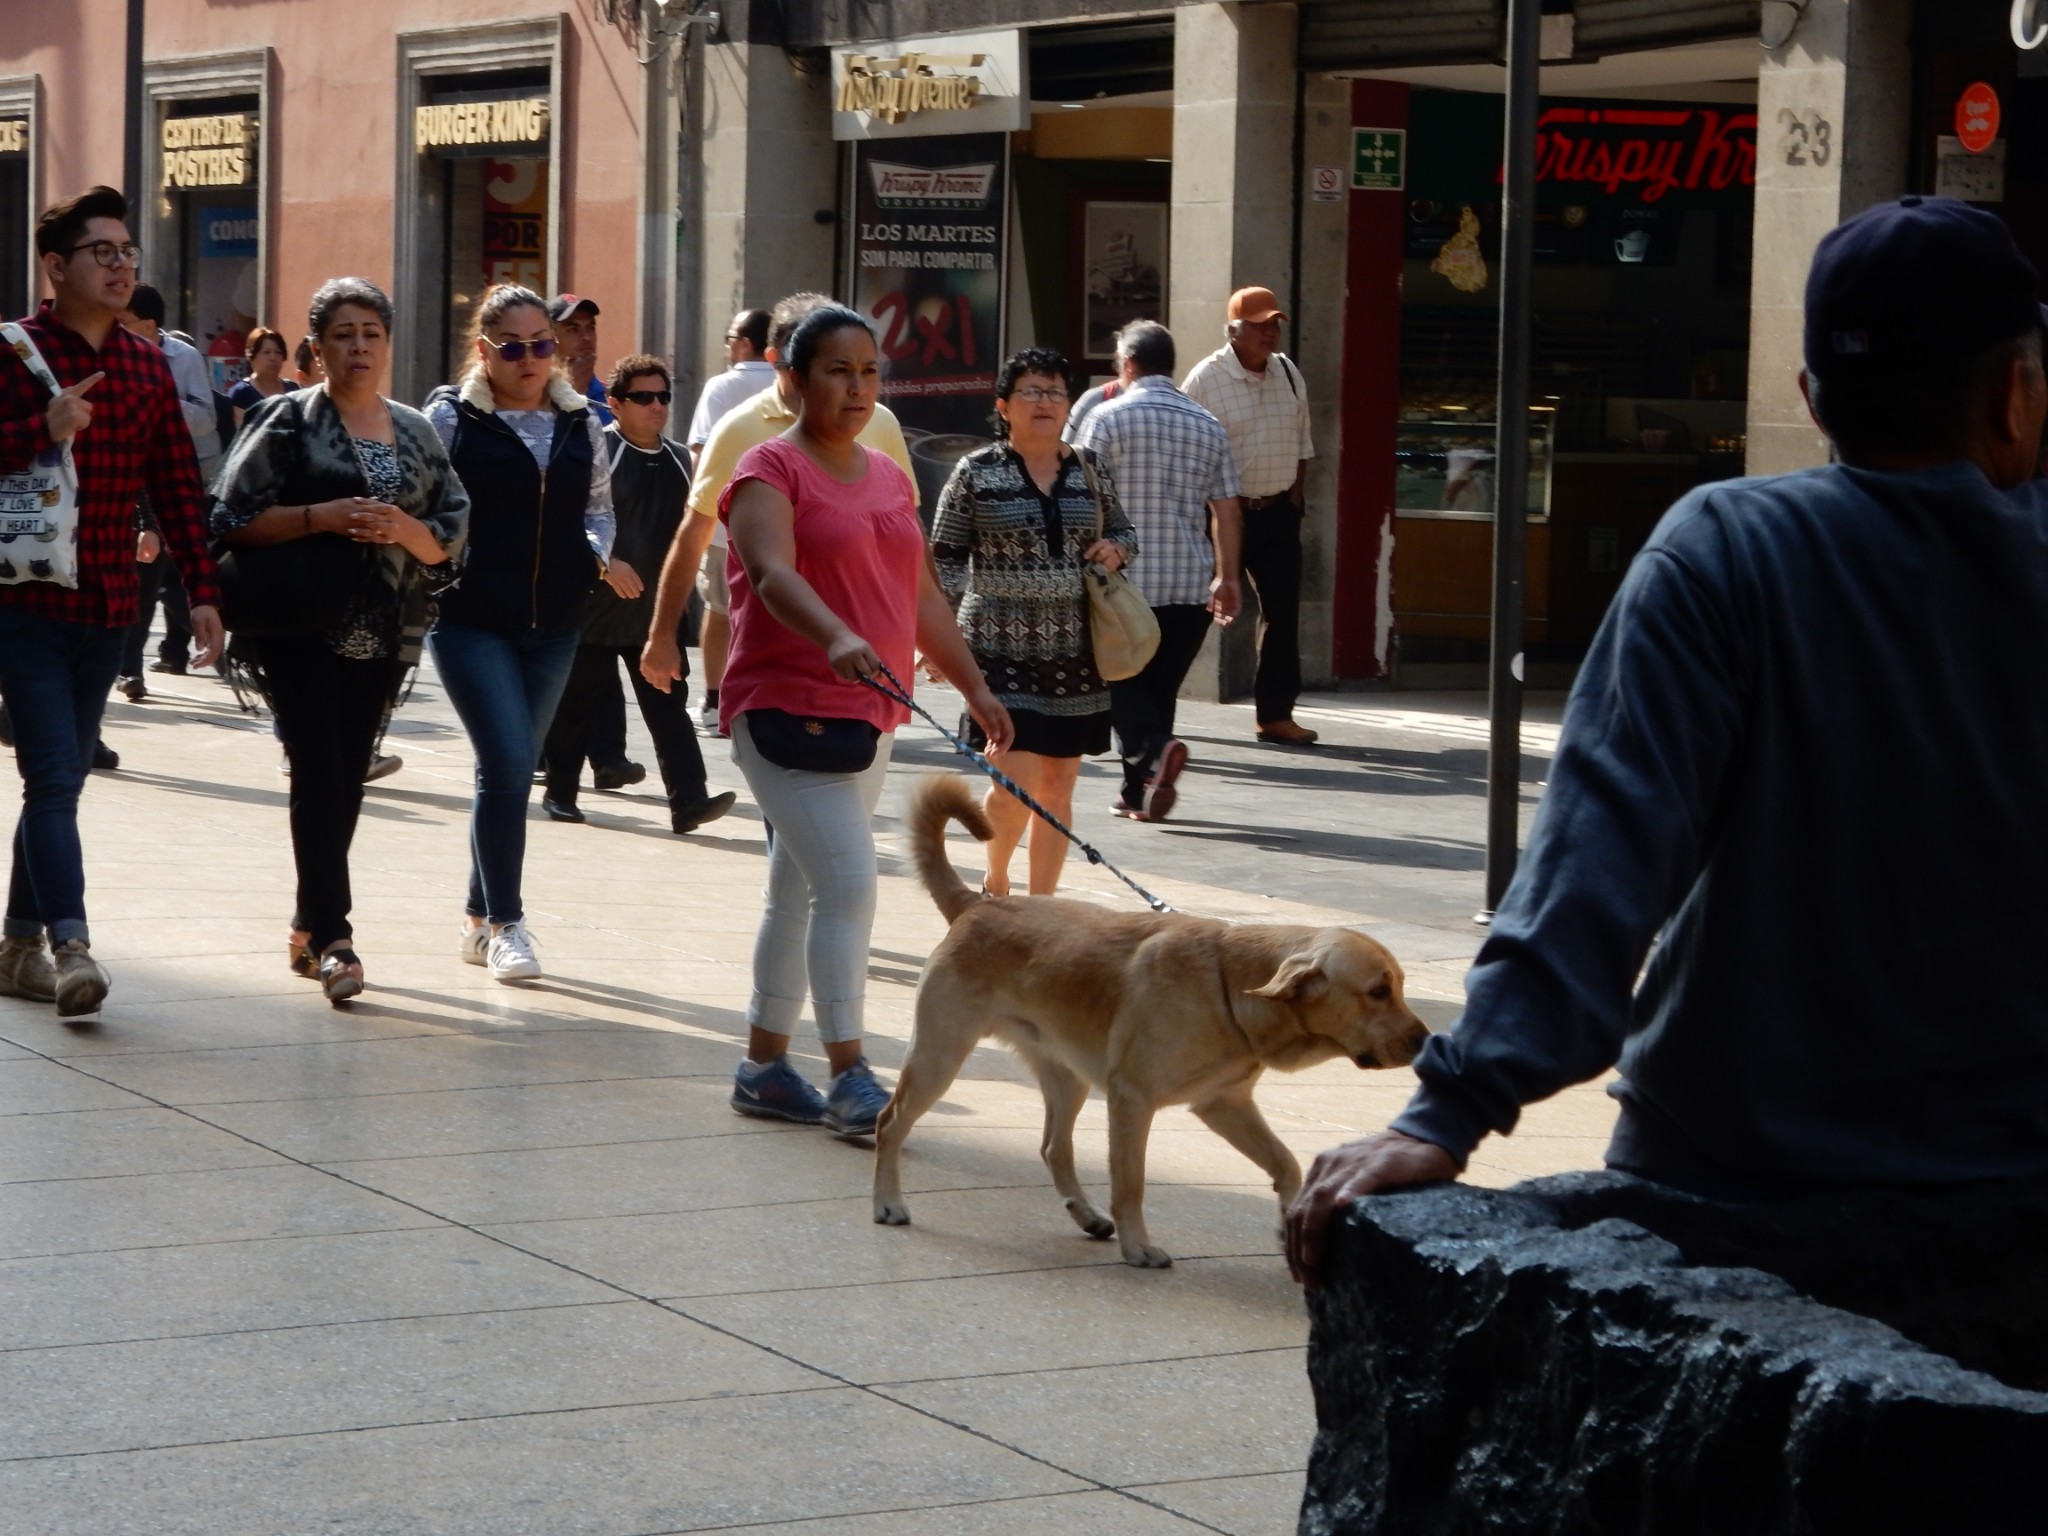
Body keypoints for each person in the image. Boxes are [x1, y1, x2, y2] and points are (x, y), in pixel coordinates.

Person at [1284, 196, 2048, 1286]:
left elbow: (1596, 860)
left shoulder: (1728, 551)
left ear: (1809, 402)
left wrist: (1450, 1108)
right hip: (2008, 1194)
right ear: (2012, 398)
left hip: (1730, 1185)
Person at [714, 304, 1012, 1134]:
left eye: (869, 371)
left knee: (798, 890)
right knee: (847, 882)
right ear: (794, 380)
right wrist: (835, 633)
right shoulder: (767, 473)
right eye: (838, 371)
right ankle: (850, 1075)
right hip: (784, 711)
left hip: (869, 714)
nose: (856, 386)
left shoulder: (886, 474)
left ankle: (765, 1066)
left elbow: (919, 595)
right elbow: (771, 573)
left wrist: (974, 686)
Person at [0, 186, 225, 1019]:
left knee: (56, 785)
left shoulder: (144, 364)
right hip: (22, 606)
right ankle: (71, 946)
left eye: (127, 251)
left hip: (109, 606)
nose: (122, 264)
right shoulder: (11, 352)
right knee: (54, 777)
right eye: (104, 252)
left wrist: (202, 592)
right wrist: (41, 428)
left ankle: (16, 943)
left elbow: (175, 484)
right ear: (56, 267)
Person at [210, 278, 466, 1003]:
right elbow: (228, 517)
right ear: (317, 348)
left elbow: (452, 530)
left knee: (345, 775)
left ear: (388, 344)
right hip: (297, 623)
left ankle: (305, 919)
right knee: (320, 767)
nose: (358, 346)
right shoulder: (286, 420)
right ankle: (337, 938)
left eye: (371, 333)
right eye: (343, 334)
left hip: (386, 628)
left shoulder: (416, 430)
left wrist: (408, 532)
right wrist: (319, 516)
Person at [425, 283, 618, 983]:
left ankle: (478, 919)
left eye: (543, 344)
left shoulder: (580, 422)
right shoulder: (451, 419)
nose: (533, 358)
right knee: (508, 763)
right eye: (515, 347)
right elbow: (425, 502)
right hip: (470, 619)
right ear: (484, 350)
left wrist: (594, 556)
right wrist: (449, 557)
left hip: (557, 624)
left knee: (507, 771)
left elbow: (599, 509)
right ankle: (508, 924)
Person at [639, 291, 917, 720]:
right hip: (780, 676)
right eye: (826, 360)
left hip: (871, 674)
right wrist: (662, 635)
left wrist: (940, 648)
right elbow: (696, 532)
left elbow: (910, 537)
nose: (852, 382)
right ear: (781, 359)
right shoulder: (741, 430)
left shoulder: (878, 421)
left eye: (863, 367)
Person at [931, 347, 1137, 895]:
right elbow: (944, 558)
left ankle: (1042, 907)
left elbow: (1124, 531)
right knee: (1014, 776)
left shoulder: (1088, 467)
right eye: (1032, 392)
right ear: (1004, 406)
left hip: (1076, 650)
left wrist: (1116, 549)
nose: (1045, 402)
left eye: (1055, 392)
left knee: (1058, 784)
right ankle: (995, 882)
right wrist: (937, 637)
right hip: (995, 648)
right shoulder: (974, 472)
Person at [540, 354, 736, 835]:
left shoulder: (679, 461)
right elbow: (561, 520)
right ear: (615, 403)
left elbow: (695, 532)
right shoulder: (598, 451)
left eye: (663, 397)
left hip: (656, 617)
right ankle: (560, 793)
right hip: (595, 608)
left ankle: (688, 801)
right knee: (575, 707)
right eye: (643, 397)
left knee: (669, 707)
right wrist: (605, 565)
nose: (656, 407)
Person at [1073, 320, 1241, 823]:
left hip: (1123, 583)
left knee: (1114, 681)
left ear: (1127, 364)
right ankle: (1138, 792)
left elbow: (1079, 495)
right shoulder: (1208, 425)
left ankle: (1152, 752)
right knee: (1158, 688)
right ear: (1171, 365)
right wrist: (1228, 577)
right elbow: (1227, 510)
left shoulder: (1105, 419)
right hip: (1191, 584)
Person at [1182, 286, 1318, 746]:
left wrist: (1295, 498)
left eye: (1274, 323)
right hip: (1223, 515)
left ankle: (1275, 715)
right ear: (1233, 330)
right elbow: (1186, 452)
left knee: (1282, 614)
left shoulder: (1288, 372)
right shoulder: (1205, 379)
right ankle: (1153, 703)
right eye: (1259, 325)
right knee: (1193, 611)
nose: (1270, 333)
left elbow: (1303, 442)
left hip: (1278, 512)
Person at [681, 307, 777, 728]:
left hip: (724, 525)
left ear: (742, 342)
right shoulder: (788, 383)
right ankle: (765, 699)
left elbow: (700, 456)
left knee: (719, 612)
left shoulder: (721, 387)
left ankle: (717, 701)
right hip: (781, 526)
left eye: (728, 339)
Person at [547, 294, 613, 425]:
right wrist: (573, 392)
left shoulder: (609, 395)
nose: (587, 337)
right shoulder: (539, 396)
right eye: (573, 330)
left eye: (591, 328)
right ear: (550, 339)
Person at [228, 325, 296, 427]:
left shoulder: (293, 390)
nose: (273, 358)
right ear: (252, 356)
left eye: (278, 352)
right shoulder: (241, 394)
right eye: (266, 352)